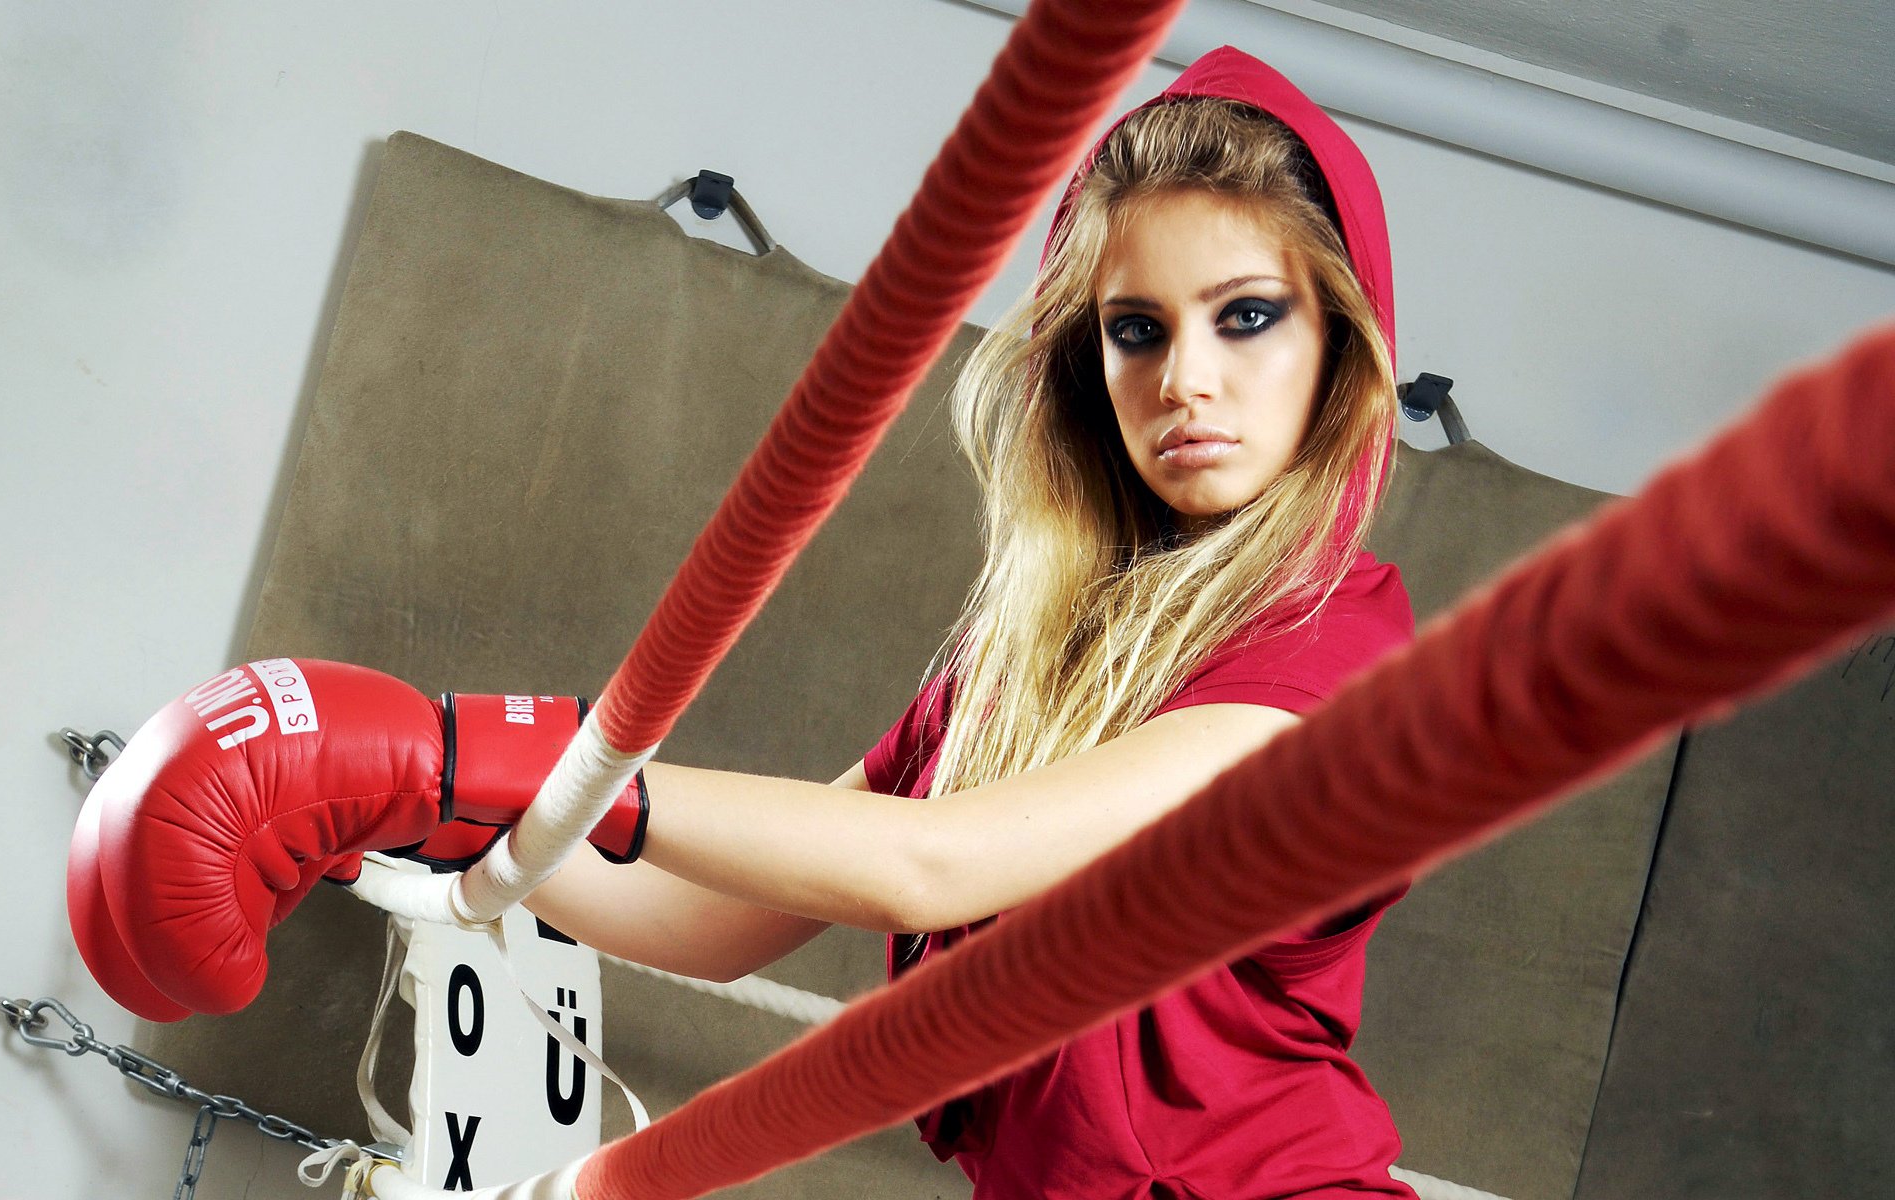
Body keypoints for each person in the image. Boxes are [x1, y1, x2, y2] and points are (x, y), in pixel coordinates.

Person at [524, 45, 1419, 1200]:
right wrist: (448, 820)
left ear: (1338, 344)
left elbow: (929, 866)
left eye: (1246, 317)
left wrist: (506, 758)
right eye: (1137, 330)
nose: (1186, 381)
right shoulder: (1030, 655)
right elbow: (720, 914)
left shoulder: (1338, 645)